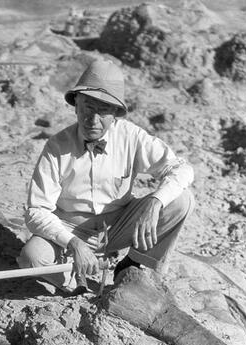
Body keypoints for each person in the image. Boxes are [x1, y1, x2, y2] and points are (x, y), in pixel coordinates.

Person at [18, 58, 195, 293]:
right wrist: (73, 243)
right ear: (76, 106)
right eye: (88, 108)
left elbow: (182, 169)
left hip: (118, 226)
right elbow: (36, 211)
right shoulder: (56, 146)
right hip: (69, 228)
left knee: (182, 200)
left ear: (116, 115)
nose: (93, 120)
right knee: (32, 258)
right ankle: (80, 284)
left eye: (103, 111)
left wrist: (154, 202)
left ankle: (132, 264)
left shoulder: (132, 137)